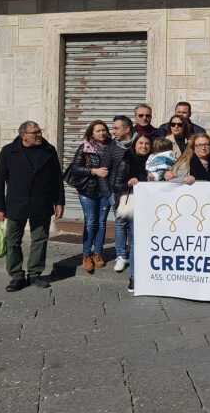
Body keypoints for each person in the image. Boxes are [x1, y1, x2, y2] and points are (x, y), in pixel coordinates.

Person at [0, 121, 64, 292]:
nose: (39, 134)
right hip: (16, 203)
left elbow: (57, 178)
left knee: (39, 239)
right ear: (23, 135)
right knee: (13, 241)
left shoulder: (49, 150)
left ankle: (34, 274)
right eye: (35, 132)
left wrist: (59, 201)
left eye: (39, 131)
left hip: (41, 202)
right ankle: (16, 276)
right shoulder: (8, 151)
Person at [70, 119, 113, 274]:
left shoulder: (112, 147)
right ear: (91, 133)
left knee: (101, 223)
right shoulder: (85, 147)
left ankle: (98, 253)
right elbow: (75, 168)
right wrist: (93, 171)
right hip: (87, 191)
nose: (102, 133)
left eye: (103, 130)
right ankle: (86, 255)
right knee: (90, 222)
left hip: (105, 191)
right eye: (98, 131)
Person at [114, 135, 152, 291]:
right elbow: (116, 185)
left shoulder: (154, 161)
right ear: (135, 145)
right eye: (140, 143)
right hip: (135, 206)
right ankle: (134, 278)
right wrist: (128, 183)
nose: (144, 146)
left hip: (152, 208)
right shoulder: (127, 160)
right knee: (136, 241)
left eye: (147, 143)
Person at [108, 115, 136, 273]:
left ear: (127, 129)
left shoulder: (140, 143)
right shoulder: (112, 146)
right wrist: (109, 192)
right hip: (119, 191)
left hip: (137, 191)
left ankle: (133, 255)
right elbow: (105, 170)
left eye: (116, 128)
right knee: (120, 223)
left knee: (133, 224)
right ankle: (121, 255)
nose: (113, 131)